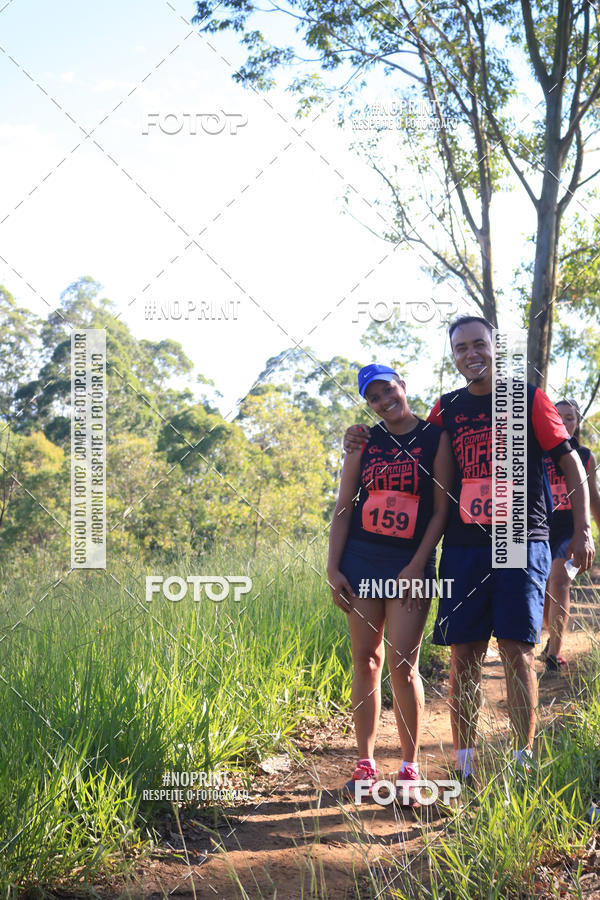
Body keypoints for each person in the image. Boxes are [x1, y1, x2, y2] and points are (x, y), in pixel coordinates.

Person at [344, 317, 595, 784]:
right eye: (461, 348)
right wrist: (360, 437)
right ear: (454, 356)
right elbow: (413, 445)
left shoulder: (529, 398)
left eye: (479, 344)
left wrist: (583, 530)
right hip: (462, 544)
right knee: (464, 655)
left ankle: (521, 762)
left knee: (518, 650)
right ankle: (464, 766)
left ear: (494, 348)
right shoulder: (447, 409)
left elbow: (571, 464)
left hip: (519, 538)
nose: (471, 354)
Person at [328, 363, 453, 805]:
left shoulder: (435, 437)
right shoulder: (364, 440)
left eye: (388, 391)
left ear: (404, 385)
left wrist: (418, 564)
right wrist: (333, 568)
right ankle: (364, 764)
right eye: (373, 398)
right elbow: (344, 507)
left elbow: (440, 510)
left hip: (411, 564)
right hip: (361, 561)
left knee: (403, 663)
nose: (384, 401)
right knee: (366, 661)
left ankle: (408, 768)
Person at [542, 399, 600, 673]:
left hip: (571, 529)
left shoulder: (585, 455)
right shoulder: (537, 451)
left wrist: (590, 533)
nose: (564, 422)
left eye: (570, 418)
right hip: (540, 529)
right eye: (558, 416)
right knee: (542, 592)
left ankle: (553, 655)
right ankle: (550, 636)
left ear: (577, 424)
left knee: (560, 579)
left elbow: (594, 499)